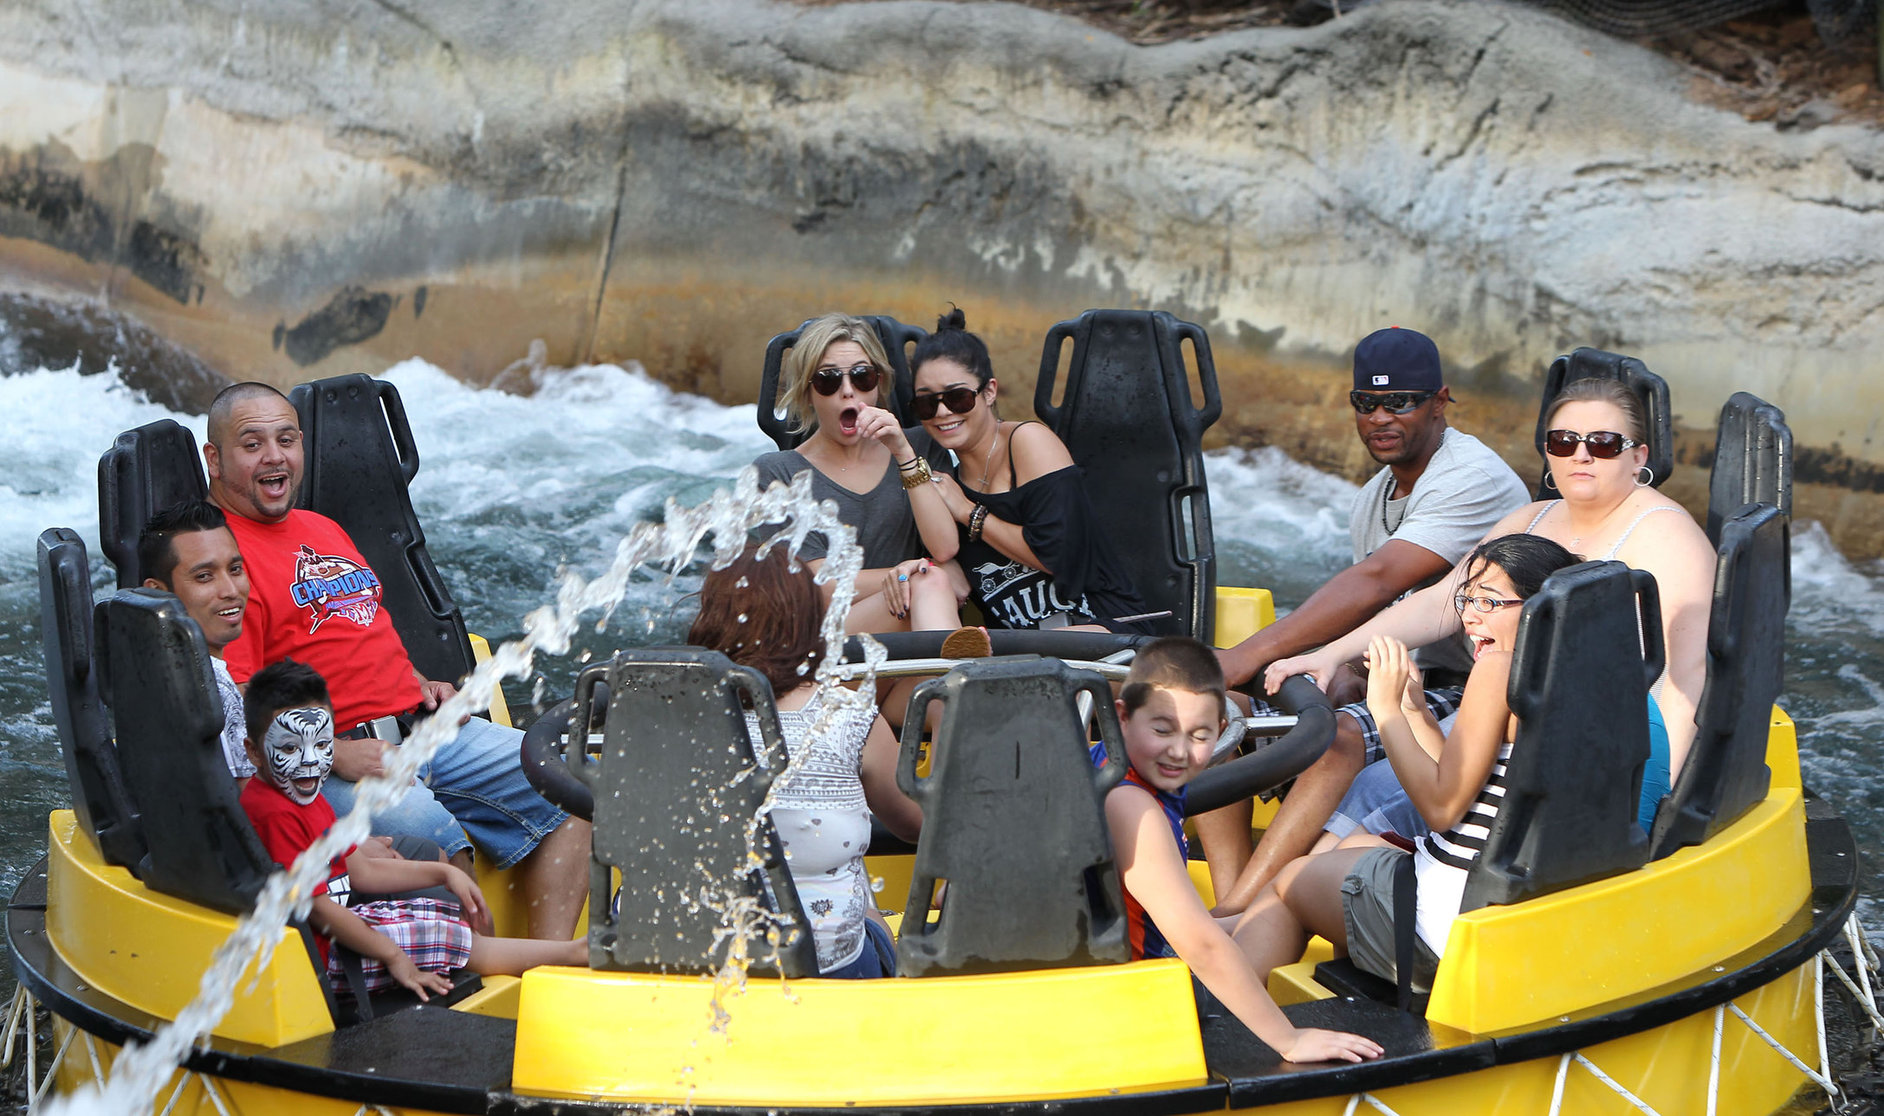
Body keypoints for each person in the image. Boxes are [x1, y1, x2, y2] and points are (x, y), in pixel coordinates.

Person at [204, 381, 589, 940]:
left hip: (421, 728)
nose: (274, 456)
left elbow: (354, 625)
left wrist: (418, 682)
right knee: (432, 836)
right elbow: (237, 699)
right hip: (333, 756)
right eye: (252, 444)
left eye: (286, 440)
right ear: (215, 459)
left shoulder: (321, 527)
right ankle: (472, 979)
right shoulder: (222, 562)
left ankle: (548, 966)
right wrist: (335, 753)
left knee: (574, 783)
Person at [1198, 327, 1529, 911]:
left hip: (1471, 687)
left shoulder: (1471, 478)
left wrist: (1247, 654)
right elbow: (1376, 608)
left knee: (1336, 736)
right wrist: (1345, 667)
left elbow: (1379, 580)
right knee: (1222, 709)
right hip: (1398, 671)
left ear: (1439, 401)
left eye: (1399, 402)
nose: (1380, 417)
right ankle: (1230, 891)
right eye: (1366, 403)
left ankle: (1237, 915)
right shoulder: (1372, 495)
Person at [1265, 376, 1711, 780]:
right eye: (1563, 441)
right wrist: (1331, 655)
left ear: (1638, 457)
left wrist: (1657, 796)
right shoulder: (1532, 519)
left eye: (1604, 443)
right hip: (1509, 725)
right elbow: (1442, 603)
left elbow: (1683, 678)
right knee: (1360, 785)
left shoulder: (1667, 535)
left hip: (1598, 749)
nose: (1581, 455)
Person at [1232, 535, 1580, 991]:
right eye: (1467, 598)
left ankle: (1226, 1010)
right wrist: (1414, 710)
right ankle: (1362, 999)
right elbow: (1461, 776)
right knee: (1358, 845)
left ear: (1540, 609)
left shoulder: (1499, 669)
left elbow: (1441, 808)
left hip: (1451, 925)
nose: (1470, 616)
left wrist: (1385, 711)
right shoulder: (1581, 670)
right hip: (1522, 909)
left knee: (1289, 883)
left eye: (1490, 601)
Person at [1099, 637, 1381, 1063]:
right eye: (1162, 730)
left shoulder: (1100, 762)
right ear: (1122, 716)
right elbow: (1201, 945)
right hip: (1145, 998)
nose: (1178, 751)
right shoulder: (1133, 806)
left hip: (1126, 964)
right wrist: (1288, 1040)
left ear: (1222, 729)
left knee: (1289, 887)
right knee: (1295, 891)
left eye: (1199, 735)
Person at [238, 660, 584, 1002]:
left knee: (441, 917)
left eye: (322, 744)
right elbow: (319, 910)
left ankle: (550, 964)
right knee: (445, 933)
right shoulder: (276, 814)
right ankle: (570, 957)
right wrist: (393, 956)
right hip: (323, 960)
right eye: (290, 748)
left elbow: (362, 870)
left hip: (338, 933)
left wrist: (445, 874)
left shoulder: (304, 796)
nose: (310, 761)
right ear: (252, 752)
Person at [687, 545, 923, 978]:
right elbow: (916, 824)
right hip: (822, 965)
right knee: (857, 885)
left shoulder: (674, 713)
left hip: (691, 956)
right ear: (809, 622)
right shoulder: (849, 716)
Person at [913, 308, 1154, 634]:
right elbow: (946, 569)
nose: (942, 412)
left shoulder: (1027, 442)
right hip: (1019, 650)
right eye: (927, 403)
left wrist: (970, 513)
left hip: (1102, 628)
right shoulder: (944, 484)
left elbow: (1061, 558)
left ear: (989, 392)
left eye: (958, 397)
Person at [753, 313, 965, 633]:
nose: (848, 391)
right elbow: (816, 586)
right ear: (807, 392)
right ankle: (957, 662)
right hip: (824, 639)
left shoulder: (921, 446)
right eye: (828, 380)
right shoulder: (777, 472)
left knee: (926, 586)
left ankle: (951, 662)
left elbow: (945, 547)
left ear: (879, 382)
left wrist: (904, 454)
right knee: (928, 583)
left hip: (912, 622)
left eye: (862, 376)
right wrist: (911, 573)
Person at [138, 498, 256, 784]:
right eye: (204, 577)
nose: (230, 590)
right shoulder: (212, 687)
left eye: (235, 569)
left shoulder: (149, 672)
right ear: (159, 593)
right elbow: (248, 800)